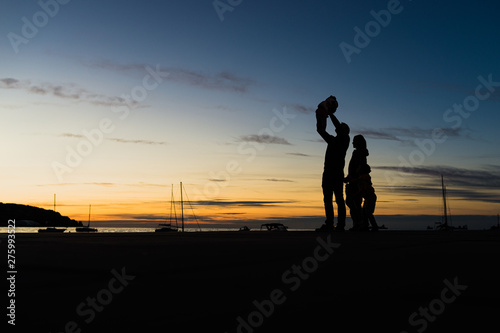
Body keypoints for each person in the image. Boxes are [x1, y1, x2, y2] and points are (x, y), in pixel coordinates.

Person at [315, 96, 350, 232]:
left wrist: (330, 114)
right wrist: (321, 116)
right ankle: (329, 224)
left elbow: (339, 128)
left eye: (342, 127)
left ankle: (340, 225)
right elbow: (321, 131)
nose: (339, 127)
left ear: (345, 131)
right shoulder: (332, 140)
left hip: (336, 173)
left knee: (339, 200)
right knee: (328, 200)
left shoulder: (345, 140)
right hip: (328, 173)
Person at [345, 135, 369, 231]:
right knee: (355, 203)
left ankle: (359, 223)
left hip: (355, 181)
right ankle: (360, 223)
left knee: (353, 202)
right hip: (355, 180)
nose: (352, 143)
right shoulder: (361, 153)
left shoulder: (358, 153)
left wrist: (351, 178)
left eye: (354, 141)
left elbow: (358, 168)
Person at [357, 163, 379, 231]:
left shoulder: (363, 177)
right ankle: (366, 225)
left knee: (368, 212)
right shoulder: (363, 177)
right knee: (365, 212)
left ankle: (374, 226)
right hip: (369, 197)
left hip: (370, 197)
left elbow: (363, 188)